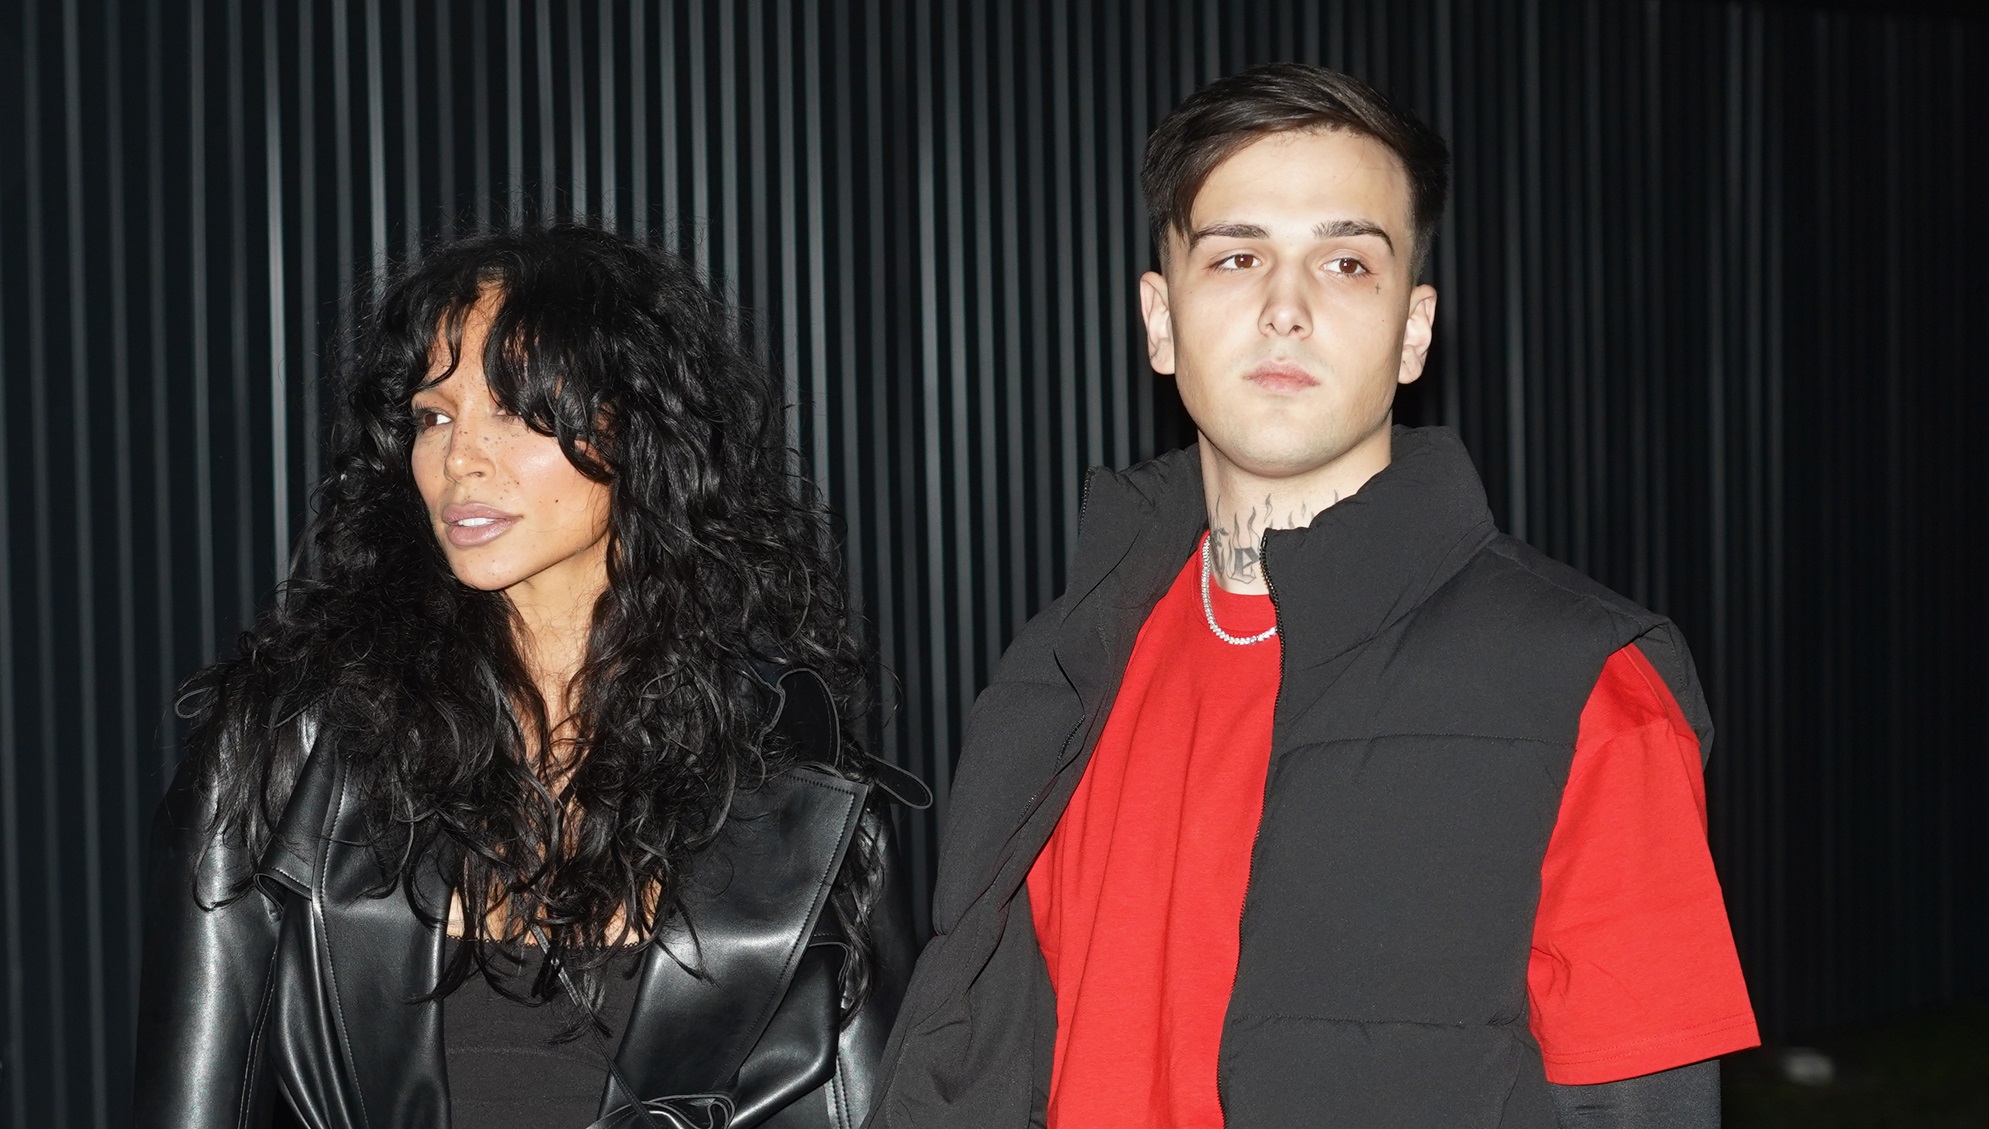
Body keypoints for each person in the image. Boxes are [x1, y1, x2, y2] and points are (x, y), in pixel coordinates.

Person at [868, 63, 1757, 1129]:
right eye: (1237, 256)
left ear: (1414, 330)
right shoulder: (1066, 663)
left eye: (1345, 263)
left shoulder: (1581, 684)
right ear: (1159, 319)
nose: (1284, 309)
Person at [134, 224, 923, 1129]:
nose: (459, 458)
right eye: (433, 417)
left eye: (512, 410)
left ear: (636, 427)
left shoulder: (798, 790)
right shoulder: (290, 753)